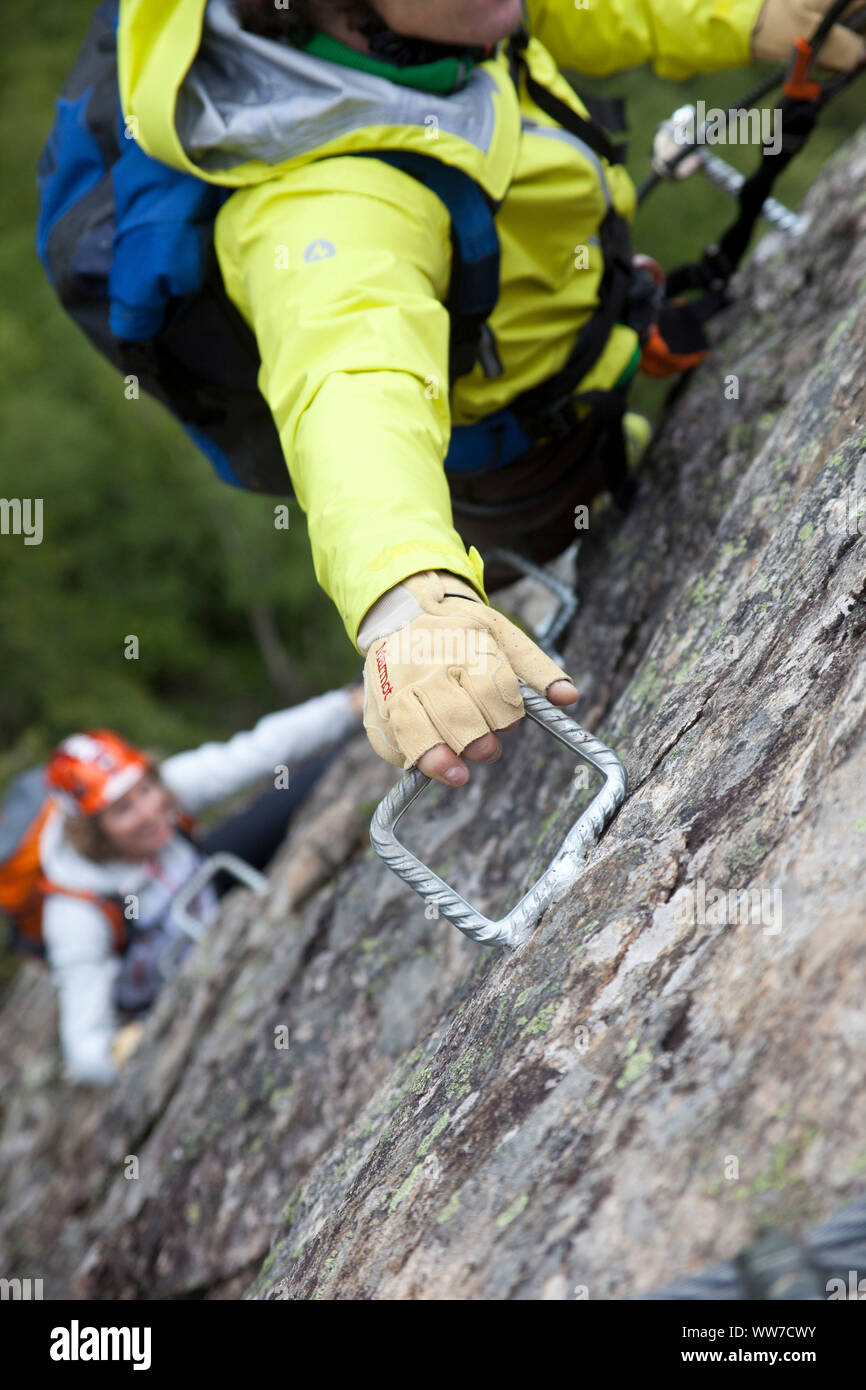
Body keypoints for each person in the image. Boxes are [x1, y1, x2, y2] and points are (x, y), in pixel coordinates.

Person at [117, 0, 865, 789]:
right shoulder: (320, 200)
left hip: (585, 353)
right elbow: (349, 379)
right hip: (531, 482)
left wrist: (748, 17)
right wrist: (405, 598)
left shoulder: (443, 23)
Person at [37, 684, 364, 1085]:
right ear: (92, 832)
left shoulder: (166, 791)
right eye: (123, 809)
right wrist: (128, 1051)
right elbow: (84, 1049)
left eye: (146, 788)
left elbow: (258, 750)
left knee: (313, 778)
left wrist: (350, 706)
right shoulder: (76, 912)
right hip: (171, 982)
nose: (150, 809)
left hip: (209, 886)